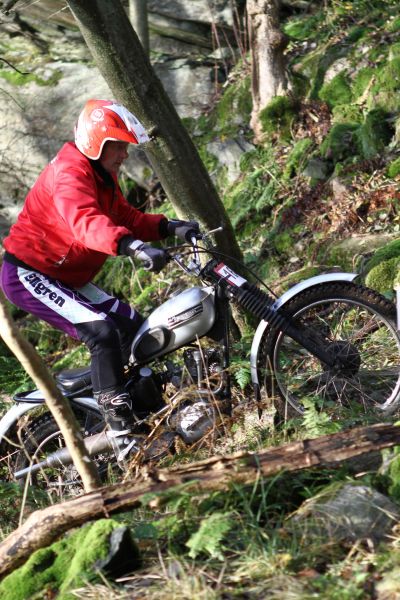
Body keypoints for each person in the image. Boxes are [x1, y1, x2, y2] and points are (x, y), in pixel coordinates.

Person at [0, 98, 199, 437]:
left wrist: (168, 226)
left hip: (65, 275)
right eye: (119, 146)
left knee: (133, 326)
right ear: (97, 143)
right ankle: (119, 423)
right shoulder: (70, 174)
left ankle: (141, 404)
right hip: (30, 273)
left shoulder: (101, 175)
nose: (124, 154)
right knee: (102, 332)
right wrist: (131, 247)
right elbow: (86, 223)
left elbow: (125, 217)